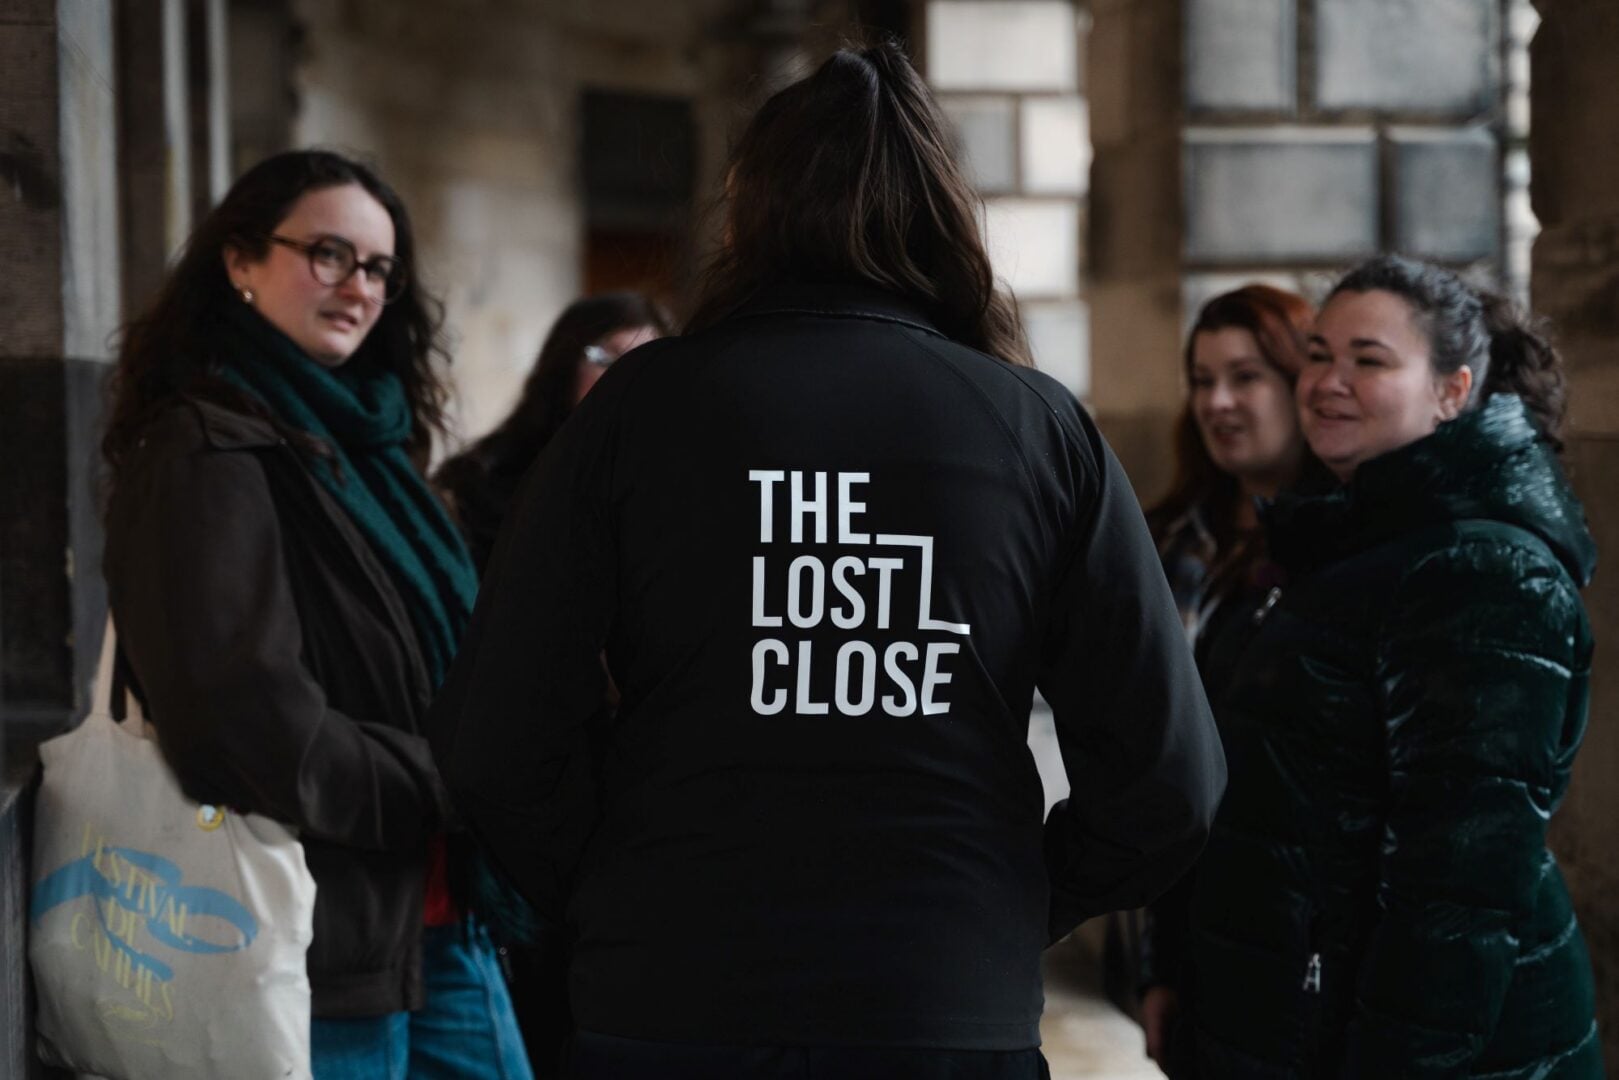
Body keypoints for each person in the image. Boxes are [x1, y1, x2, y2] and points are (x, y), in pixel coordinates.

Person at [428, 41, 1225, 1080]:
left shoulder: (640, 409)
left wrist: (614, 886)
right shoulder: (1035, 430)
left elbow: (495, 734)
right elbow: (1170, 779)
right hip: (942, 999)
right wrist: (1015, 892)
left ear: (749, 205)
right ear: (945, 210)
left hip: (674, 995)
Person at [101, 149, 532, 1079]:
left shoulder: (360, 447)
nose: (358, 287)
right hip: (308, 946)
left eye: (377, 267)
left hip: (439, 927)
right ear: (241, 261)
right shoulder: (206, 452)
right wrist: (451, 782)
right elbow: (244, 724)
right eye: (328, 254)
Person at [1188, 255, 1603, 1077]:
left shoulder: (1478, 567)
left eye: (1367, 360)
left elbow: (1456, 891)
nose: (1326, 382)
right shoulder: (1362, 539)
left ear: (1451, 391)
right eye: (1316, 354)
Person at [1135, 284, 1322, 1077]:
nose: (1218, 402)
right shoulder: (1168, 538)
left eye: (1245, 377)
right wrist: (1154, 964)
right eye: (1201, 379)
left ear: (1297, 383)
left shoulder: (1340, 550)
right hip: (1188, 915)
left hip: (1295, 933)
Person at [436, 293, 671, 573]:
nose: (629, 380)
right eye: (608, 360)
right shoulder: (479, 480)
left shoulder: (676, 484)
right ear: (565, 366)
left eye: (647, 365)